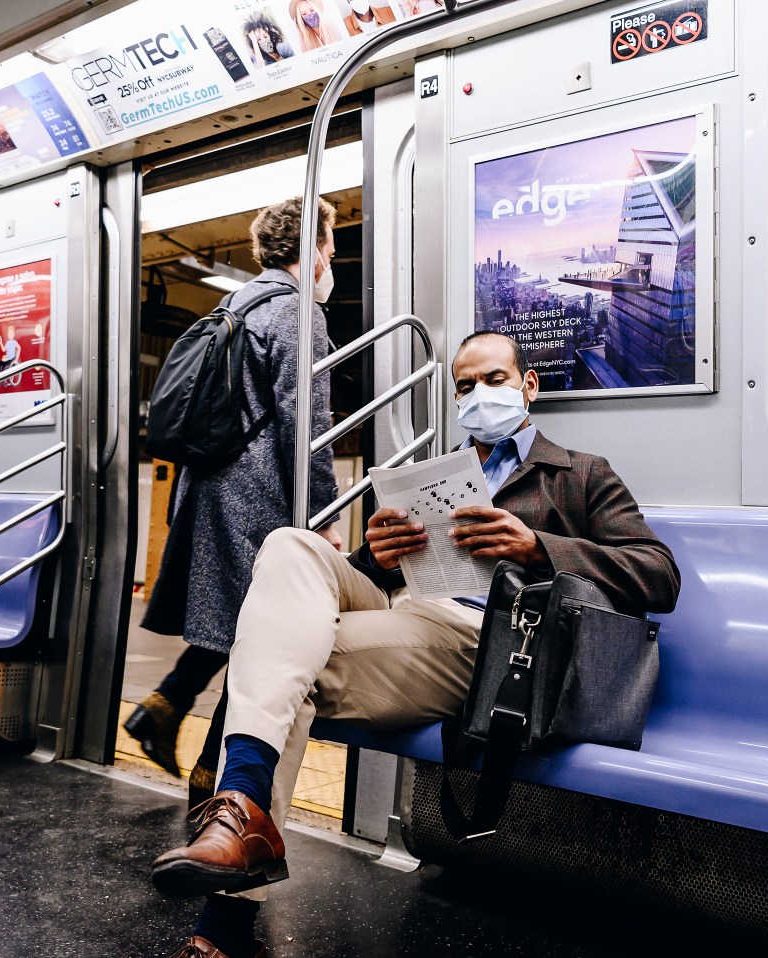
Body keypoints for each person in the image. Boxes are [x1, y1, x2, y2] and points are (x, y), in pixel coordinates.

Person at [149, 331, 682, 958]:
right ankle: (244, 818)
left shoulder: (581, 474)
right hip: (403, 620)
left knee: (280, 666)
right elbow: (354, 587)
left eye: (494, 380)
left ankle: (224, 916)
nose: (479, 395)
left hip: (488, 641)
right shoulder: (437, 479)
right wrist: (373, 559)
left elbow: (657, 574)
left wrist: (536, 548)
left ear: (528, 386)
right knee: (290, 546)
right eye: (464, 386)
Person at [127, 198, 343, 791]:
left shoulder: (236, 303)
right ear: (309, 249)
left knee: (237, 622)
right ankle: (213, 777)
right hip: (257, 495)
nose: (332, 257)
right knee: (263, 635)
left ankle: (165, 713)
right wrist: (323, 514)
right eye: (328, 244)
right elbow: (307, 421)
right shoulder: (299, 314)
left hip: (208, 485)